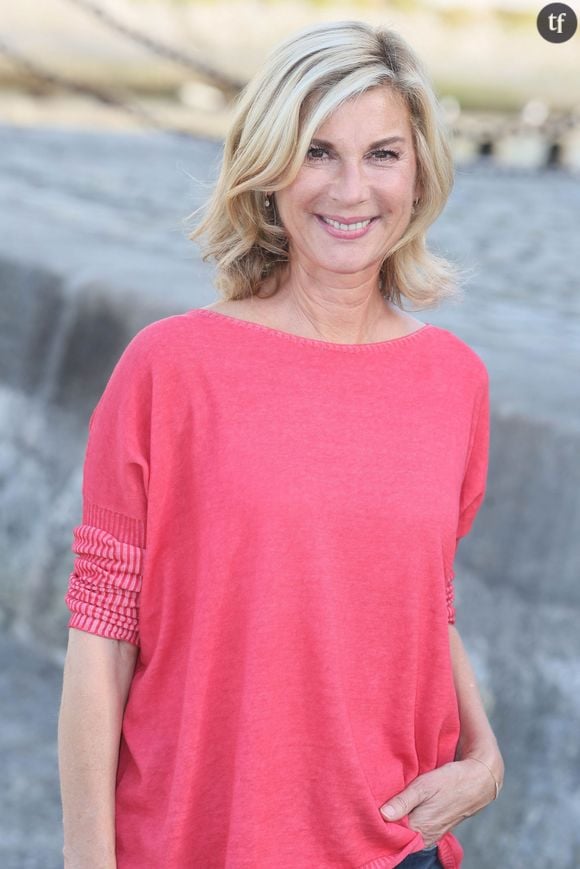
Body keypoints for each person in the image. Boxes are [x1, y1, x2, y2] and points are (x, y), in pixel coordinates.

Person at [58, 19, 504, 869]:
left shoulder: (455, 380)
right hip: (202, 843)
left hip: (396, 845)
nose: (350, 190)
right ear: (269, 174)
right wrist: (88, 858)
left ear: (418, 175)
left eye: (382, 154)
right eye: (318, 152)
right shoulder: (170, 367)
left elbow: (424, 605)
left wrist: (484, 760)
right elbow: (102, 634)